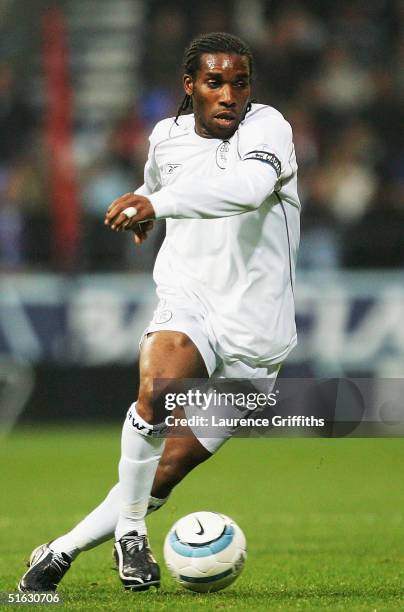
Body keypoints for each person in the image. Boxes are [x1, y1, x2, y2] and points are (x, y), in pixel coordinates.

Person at [18, 32, 300, 593]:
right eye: (215, 82)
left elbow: (245, 190)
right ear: (190, 85)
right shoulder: (165, 136)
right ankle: (130, 535)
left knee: (162, 474)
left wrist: (158, 204)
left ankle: (57, 554)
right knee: (159, 391)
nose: (229, 95)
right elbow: (157, 182)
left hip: (255, 338)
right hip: (188, 299)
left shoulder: (269, 128)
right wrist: (144, 203)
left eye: (239, 83)